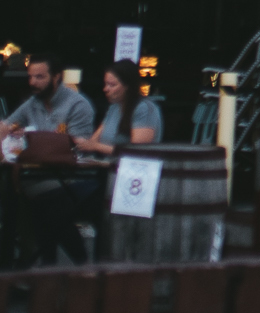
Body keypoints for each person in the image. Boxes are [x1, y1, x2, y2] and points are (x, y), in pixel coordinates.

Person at [3, 55, 99, 264]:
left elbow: (77, 147)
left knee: (44, 203)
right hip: (39, 174)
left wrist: (36, 140)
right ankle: (50, 264)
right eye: (30, 77)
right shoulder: (32, 103)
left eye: (39, 77)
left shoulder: (77, 105)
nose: (33, 82)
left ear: (56, 77)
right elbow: (8, 125)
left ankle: (69, 262)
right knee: (23, 194)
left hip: (74, 174)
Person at [75, 59, 162, 155]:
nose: (105, 89)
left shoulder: (144, 108)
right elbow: (94, 141)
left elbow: (137, 151)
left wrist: (97, 147)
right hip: (105, 166)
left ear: (127, 86)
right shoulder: (114, 107)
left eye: (112, 85)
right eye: (105, 84)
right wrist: (77, 141)